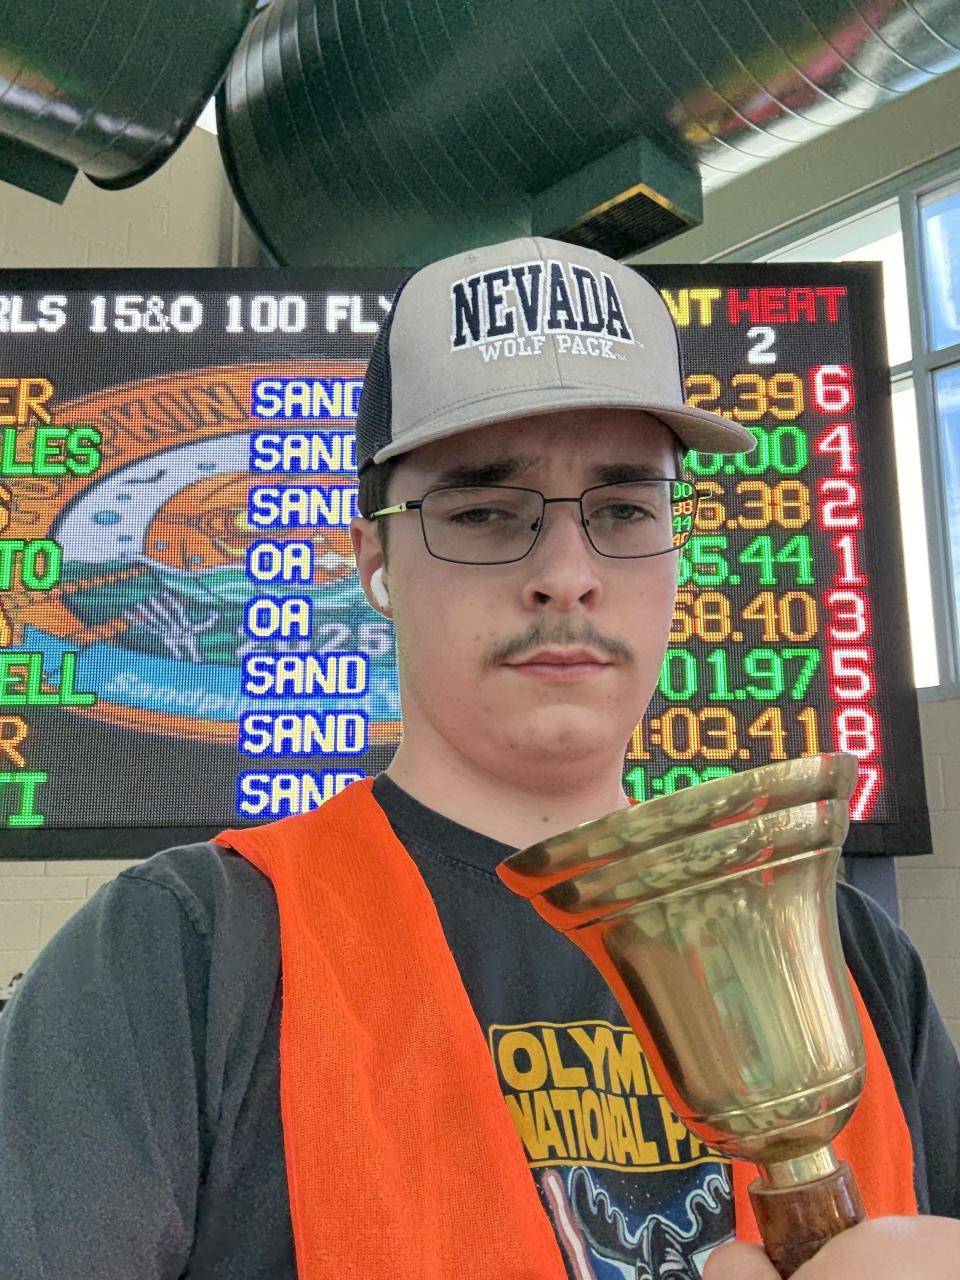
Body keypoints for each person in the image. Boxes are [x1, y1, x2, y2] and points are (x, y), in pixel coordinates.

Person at [0, 237, 958, 1280]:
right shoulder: (179, 955)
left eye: (625, 508)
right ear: (375, 561)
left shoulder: (855, 957)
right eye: (485, 513)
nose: (567, 573)